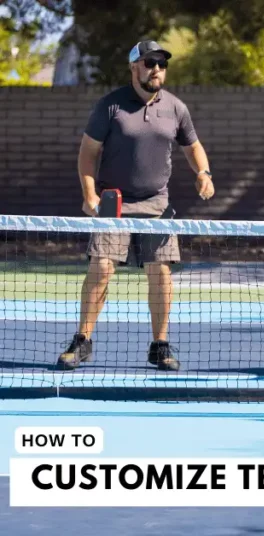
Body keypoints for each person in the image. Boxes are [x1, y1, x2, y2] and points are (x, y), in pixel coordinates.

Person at [57, 39, 215, 372]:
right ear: (134, 67)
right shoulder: (110, 106)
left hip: (157, 204)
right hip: (113, 202)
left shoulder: (176, 108)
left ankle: (160, 346)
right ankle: (82, 341)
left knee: (161, 273)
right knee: (101, 268)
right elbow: (88, 154)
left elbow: (193, 147)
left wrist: (203, 172)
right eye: (149, 62)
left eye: (161, 63)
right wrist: (90, 195)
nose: (156, 68)